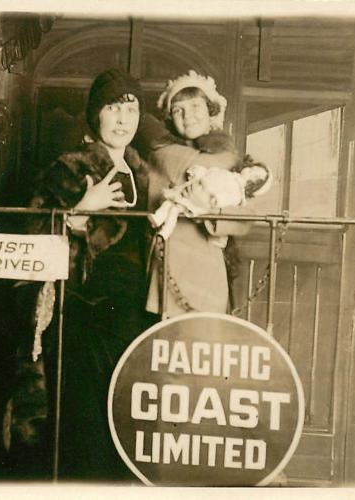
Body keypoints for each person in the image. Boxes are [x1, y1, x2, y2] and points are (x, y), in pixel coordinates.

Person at [21, 68, 156, 482]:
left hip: (134, 313)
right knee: (84, 421)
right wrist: (81, 209)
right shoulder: (71, 166)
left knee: (128, 415)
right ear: (96, 116)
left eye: (130, 109)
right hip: (82, 311)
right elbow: (31, 234)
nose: (122, 119)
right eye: (112, 108)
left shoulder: (145, 174)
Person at [138, 70, 268, 317]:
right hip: (172, 264)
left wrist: (211, 213)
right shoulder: (163, 155)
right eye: (178, 110)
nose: (188, 116)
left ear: (211, 111)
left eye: (196, 106)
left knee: (205, 339)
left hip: (211, 263)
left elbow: (246, 217)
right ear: (169, 118)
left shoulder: (230, 158)